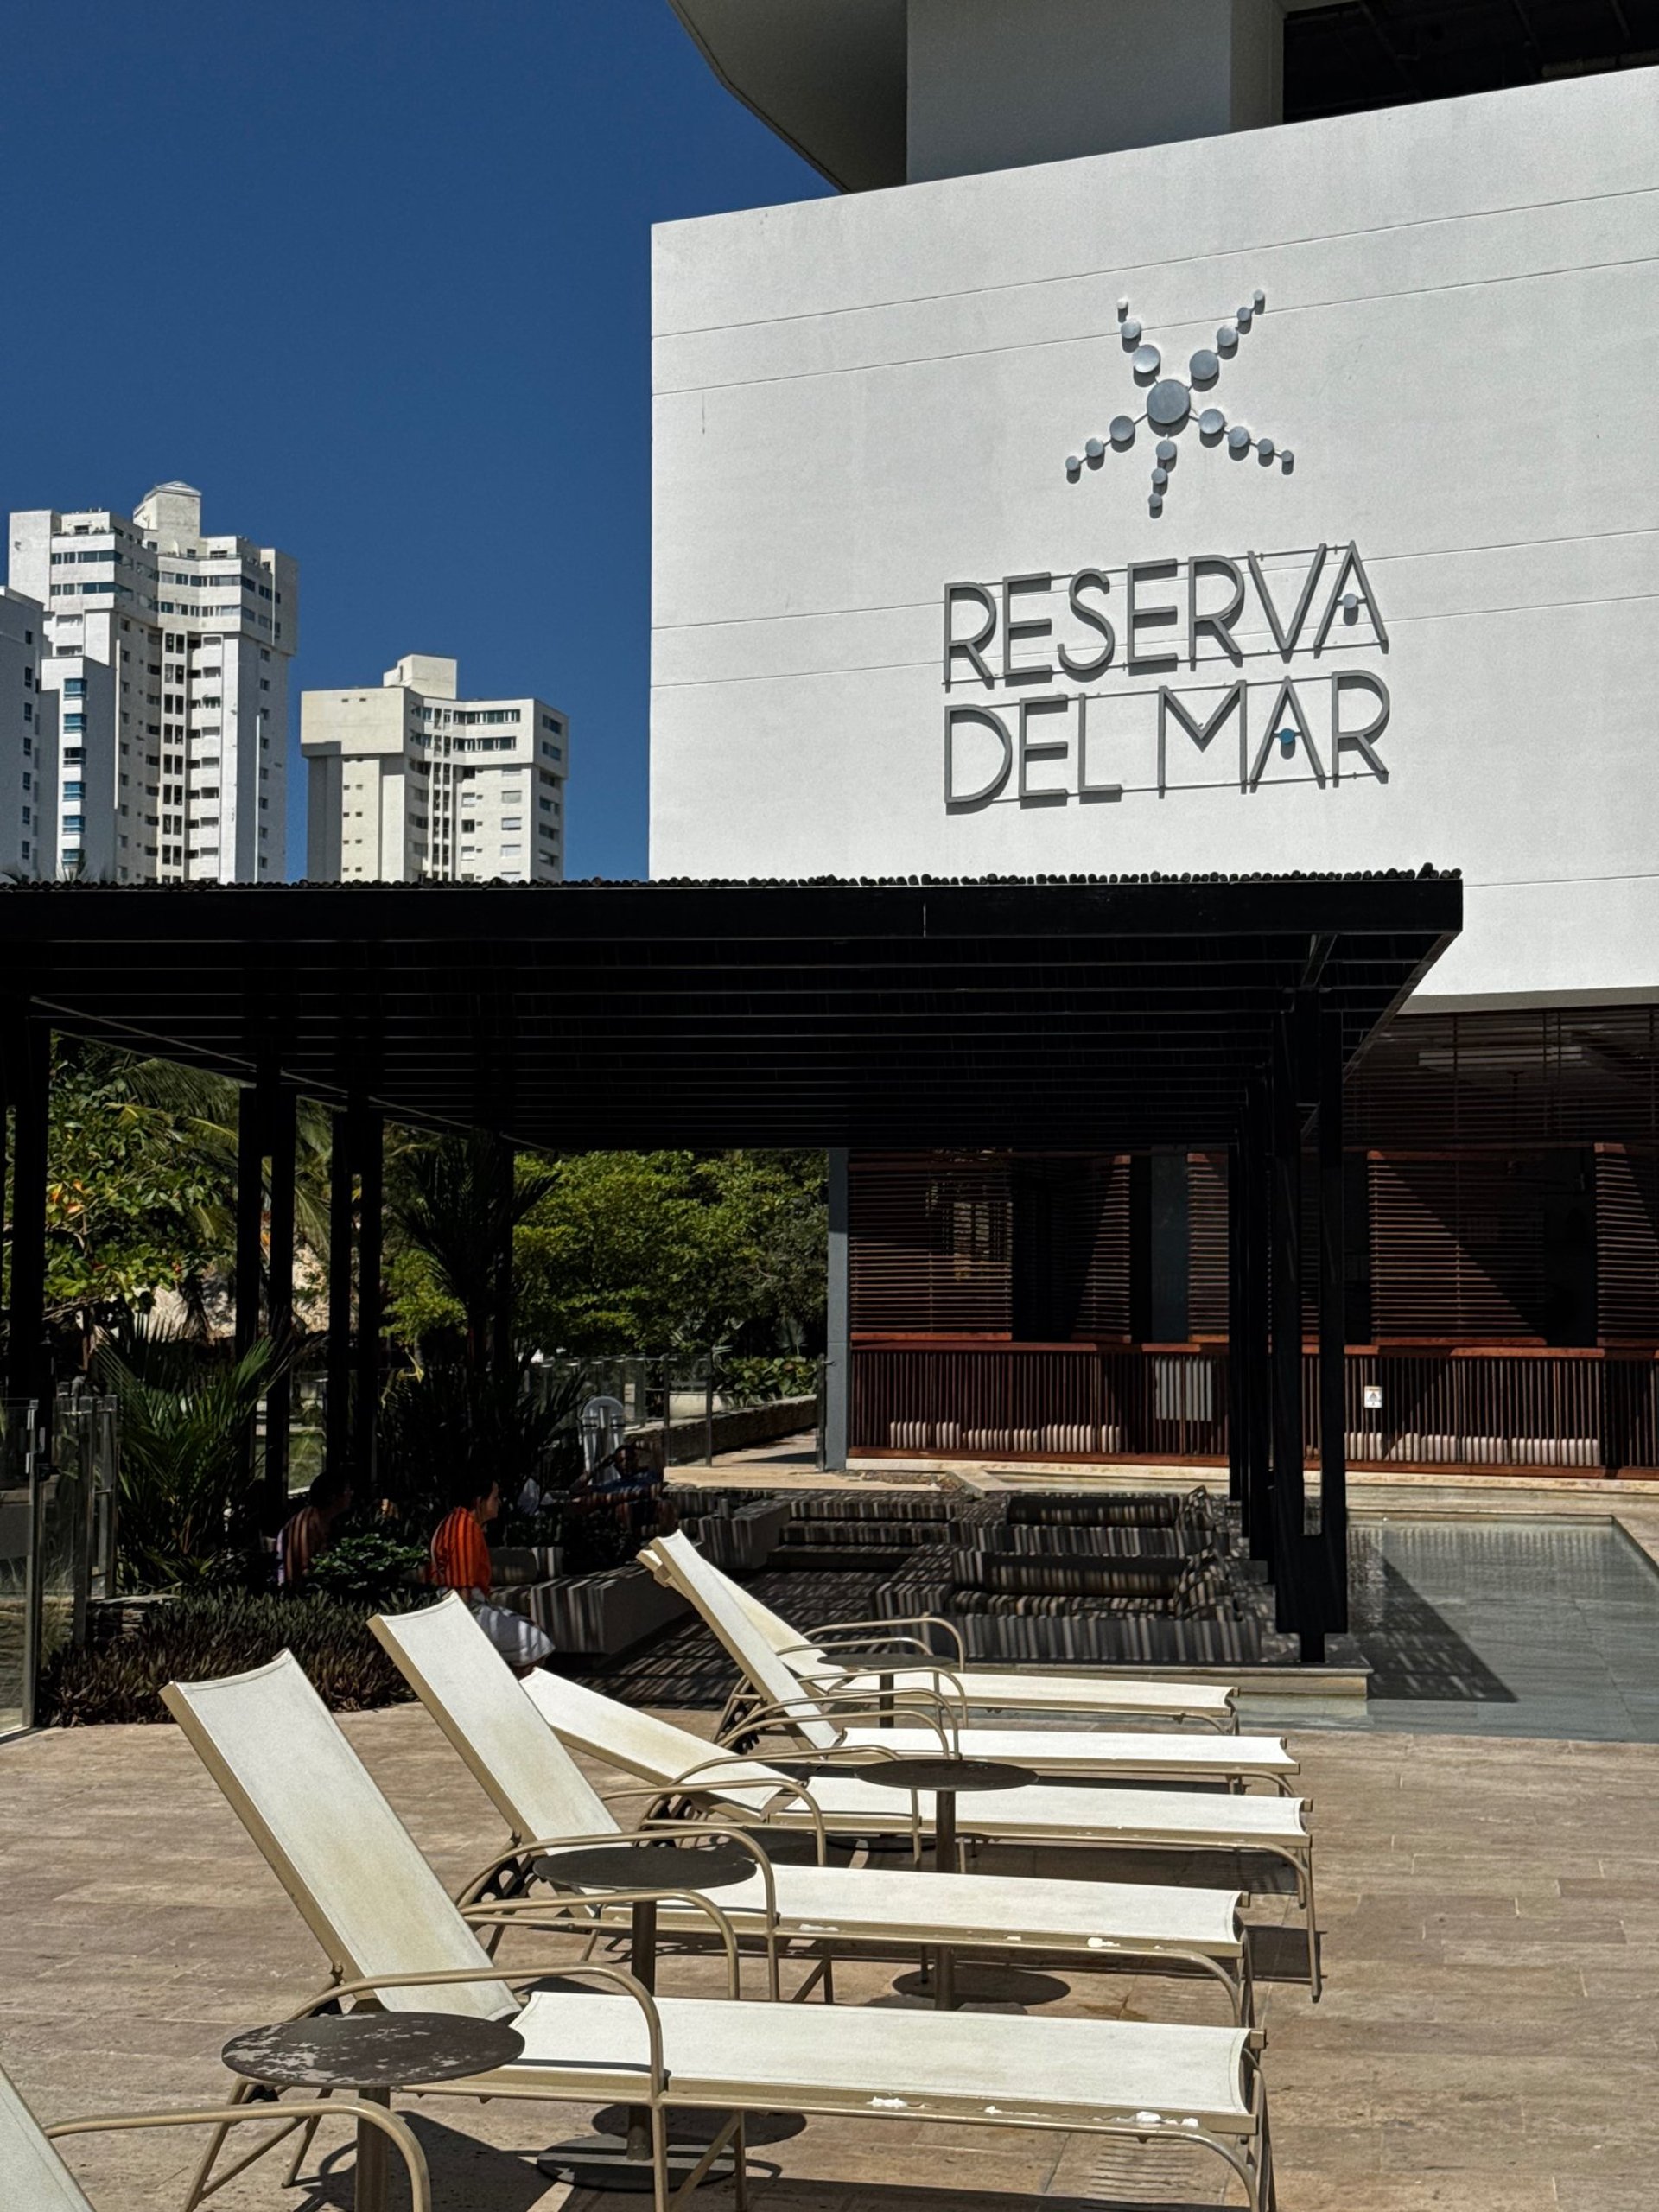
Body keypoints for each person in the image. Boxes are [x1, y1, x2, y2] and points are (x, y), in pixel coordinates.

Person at [429, 1474, 555, 1673]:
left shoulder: (458, 1522)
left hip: (469, 1606)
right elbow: (462, 1589)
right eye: (495, 1498)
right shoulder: (464, 1530)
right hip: (465, 1611)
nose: (499, 1502)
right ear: (479, 1502)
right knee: (536, 1643)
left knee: (533, 1631)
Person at [276, 1471, 353, 1591]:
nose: (351, 1494)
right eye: (347, 1491)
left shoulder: (329, 1521)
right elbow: (302, 1569)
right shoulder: (306, 1524)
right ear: (333, 1497)